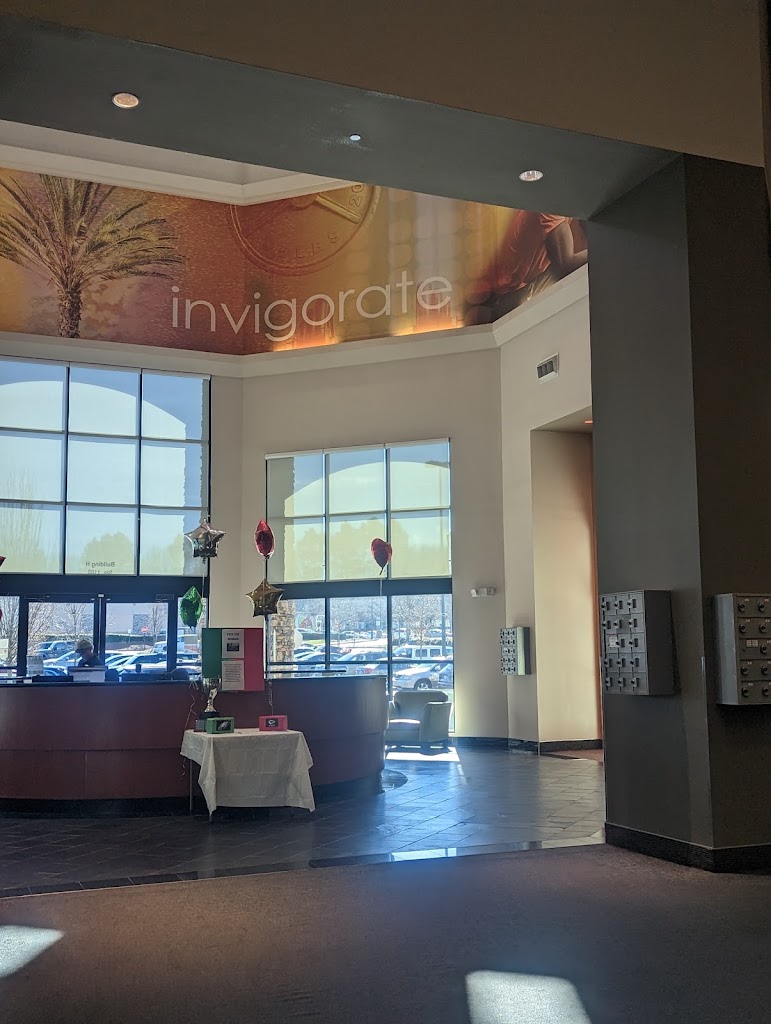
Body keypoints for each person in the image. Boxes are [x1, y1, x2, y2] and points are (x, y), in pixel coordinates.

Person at [466, 212, 588, 324]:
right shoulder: (551, 209)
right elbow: (566, 263)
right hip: (503, 294)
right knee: (561, 273)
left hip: (516, 286)